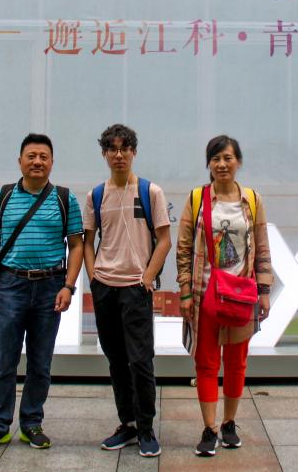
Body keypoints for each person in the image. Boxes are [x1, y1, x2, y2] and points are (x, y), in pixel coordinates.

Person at [0, 133, 83, 451]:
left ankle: (31, 424)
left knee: (40, 363)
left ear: (52, 162)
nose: (37, 161)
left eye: (43, 156)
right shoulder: (4, 196)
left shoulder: (65, 199)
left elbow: (77, 245)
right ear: (20, 161)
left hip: (50, 287)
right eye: (31, 156)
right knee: (3, 362)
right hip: (10, 287)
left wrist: (68, 286)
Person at [177, 135, 273, 457]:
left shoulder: (252, 200)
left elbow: (262, 248)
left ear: (238, 162)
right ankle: (209, 429)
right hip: (205, 295)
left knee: (236, 363)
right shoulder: (197, 199)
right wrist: (186, 292)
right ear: (208, 163)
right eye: (216, 158)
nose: (221, 164)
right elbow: (184, 249)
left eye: (228, 158)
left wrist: (264, 290)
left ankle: (229, 423)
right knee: (205, 363)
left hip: (240, 295)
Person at [84, 124, 171, 458]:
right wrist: (93, 276)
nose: (118, 155)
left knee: (141, 361)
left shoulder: (150, 192)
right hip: (106, 288)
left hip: (136, 288)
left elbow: (164, 240)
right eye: (112, 149)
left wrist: (147, 276)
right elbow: (87, 241)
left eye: (124, 148)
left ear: (134, 152)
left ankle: (146, 428)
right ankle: (128, 424)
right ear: (104, 153)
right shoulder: (95, 195)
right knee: (116, 361)